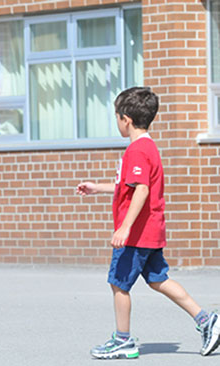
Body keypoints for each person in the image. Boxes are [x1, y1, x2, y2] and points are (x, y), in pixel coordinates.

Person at [77, 87, 220, 359]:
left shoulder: (137, 150)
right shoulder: (148, 147)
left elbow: (141, 190)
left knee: (119, 283)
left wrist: (125, 227)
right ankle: (207, 320)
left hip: (137, 235)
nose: (117, 122)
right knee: (158, 280)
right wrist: (97, 187)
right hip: (151, 231)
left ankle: (122, 340)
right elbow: (128, 187)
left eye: (116, 117)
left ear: (126, 119)